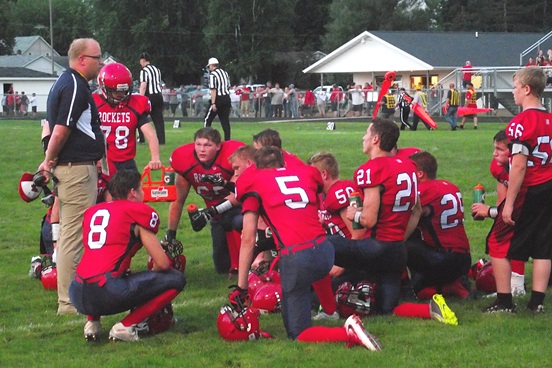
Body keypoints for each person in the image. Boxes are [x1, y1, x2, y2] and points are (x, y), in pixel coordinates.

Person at [233, 146, 382, 350]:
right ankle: (330, 311)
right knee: (311, 265)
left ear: (257, 167)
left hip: (297, 257)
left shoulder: (254, 184)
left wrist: (241, 287)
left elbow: (248, 238)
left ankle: (346, 331)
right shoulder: (304, 173)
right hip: (324, 250)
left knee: (299, 333)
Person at [69, 170, 186, 342]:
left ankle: (92, 322)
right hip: (106, 291)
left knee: (103, 270)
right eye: (141, 188)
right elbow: (162, 263)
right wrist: (152, 277)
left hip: (77, 292)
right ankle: (126, 326)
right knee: (176, 279)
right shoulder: (137, 211)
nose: (143, 192)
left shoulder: (92, 212)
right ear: (133, 192)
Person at [37, 38, 105, 315]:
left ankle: (73, 295)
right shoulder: (75, 84)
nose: (101, 63)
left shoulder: (64, 82)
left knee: (70, 233)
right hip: (75, 168)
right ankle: (68, 301)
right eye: (97, 57)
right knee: (74, 236)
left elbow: (49, 125)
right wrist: (48, 161)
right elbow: (62, 129)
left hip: (73, 166)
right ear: (81, 59)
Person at [326, 118, 418, 315]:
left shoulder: (371, 169)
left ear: (376, 139)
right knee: (386, 310)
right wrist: (400, 237)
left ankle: (319, 301)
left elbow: (369, 220)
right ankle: (422, 308)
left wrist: (354, 214)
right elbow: (416, 210)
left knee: (322, 243)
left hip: (377, 247)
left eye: (366, 134)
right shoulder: (408, 165)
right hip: (397, 251)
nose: (363, 137)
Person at [485, 67, 552, 313]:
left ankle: (504, 302)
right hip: (549, 186)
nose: (513, 92)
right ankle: (537, 303)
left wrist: (509, 202)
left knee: (497, 241)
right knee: (544, 246)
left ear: (526, 89)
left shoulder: (520, 123)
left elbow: (520, 166)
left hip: (530, 188)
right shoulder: (550, 119)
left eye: (515, 87)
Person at [167, 127, 244, 275]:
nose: (202, 149)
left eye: (207, 145)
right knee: (221, 267)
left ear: (218, 146)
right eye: (198, 144)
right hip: (215, 215)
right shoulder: (184, 160)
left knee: (232, 219)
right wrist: (171, 232)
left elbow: (238, 193)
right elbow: (177, 200)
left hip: (238, 209)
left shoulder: (232, 157)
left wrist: (210, 212)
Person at [405, 152, 472, 299]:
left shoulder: (424, 190)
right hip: (464, 258)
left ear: (420, 174)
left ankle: (404, 288)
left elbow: (402, 217)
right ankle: (452, 285)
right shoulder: (450, 186)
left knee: (397, 243)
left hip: (445, 259)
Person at [470, 130, 525, 297]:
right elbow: (503, 203)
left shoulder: (525, 168)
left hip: (535, 208)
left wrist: (489, 211)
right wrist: (493, 212)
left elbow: (519, 210)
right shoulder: (497, 167)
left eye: (500, 149)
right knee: (506, 231)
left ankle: (516, 286)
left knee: (503, 239)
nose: (494, 154)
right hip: (525, 208)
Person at [94, 62, 162, 177]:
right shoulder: (94, 104)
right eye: (116, 91)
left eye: (124, 90)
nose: (121, 94)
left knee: (133, 194)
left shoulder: (135, 104)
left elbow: (150, 134)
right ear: (104, 88)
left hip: (126, 163)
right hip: (102, 163)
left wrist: (155, 158)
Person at [138, 52, 165, 145]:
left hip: (150, 97)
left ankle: (141, 139)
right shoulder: (157, 69)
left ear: (143, 60)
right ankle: (161, 140)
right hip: (159, 95)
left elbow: (143, 86)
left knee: (140, 117)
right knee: (159, 120)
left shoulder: (144, 71)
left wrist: (140, 98)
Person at [204, 57, 232, 141]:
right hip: (226, 98)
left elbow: (213, 89)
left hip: (218, 99)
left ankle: (206, 137)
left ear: (212, 66)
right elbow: (228, 86)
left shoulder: (213, 75)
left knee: (207, 120)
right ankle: (228, 140)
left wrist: (213, 103)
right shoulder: (225, 73)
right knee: (225, 121)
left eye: (209, 66)